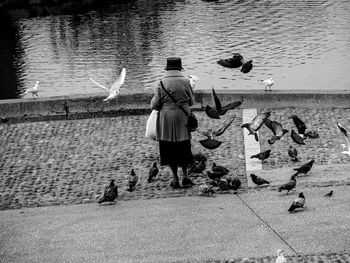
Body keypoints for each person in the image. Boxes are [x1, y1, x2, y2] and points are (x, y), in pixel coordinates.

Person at [151, 57, 195, 189]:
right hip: (182, 118)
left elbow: (155, 105)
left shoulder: (161, 83)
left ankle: (175, 179)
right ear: (180, 68)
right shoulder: (186, 82)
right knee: (183, 147)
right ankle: (186, 177)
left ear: (167, 68)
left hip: (166, 120)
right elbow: (191, 101)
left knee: (169, 148)